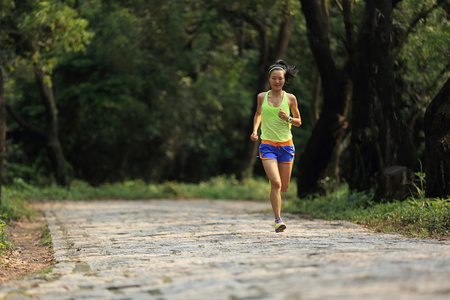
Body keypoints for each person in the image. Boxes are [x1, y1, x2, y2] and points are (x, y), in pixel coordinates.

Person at [250, 59, 302, 233]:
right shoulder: (262, 97)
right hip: (267, 145)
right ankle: (278, 220)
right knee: (276, 182)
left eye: (280, 78)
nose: (277, 81)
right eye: (274, 78)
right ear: (269, 79)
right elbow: (258, 114)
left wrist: (287, 118)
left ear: (285, 79)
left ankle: (278, 211)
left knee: (284, 187)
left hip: (286, 146)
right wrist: (255, 131)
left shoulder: (290, 98)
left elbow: (299, 122)